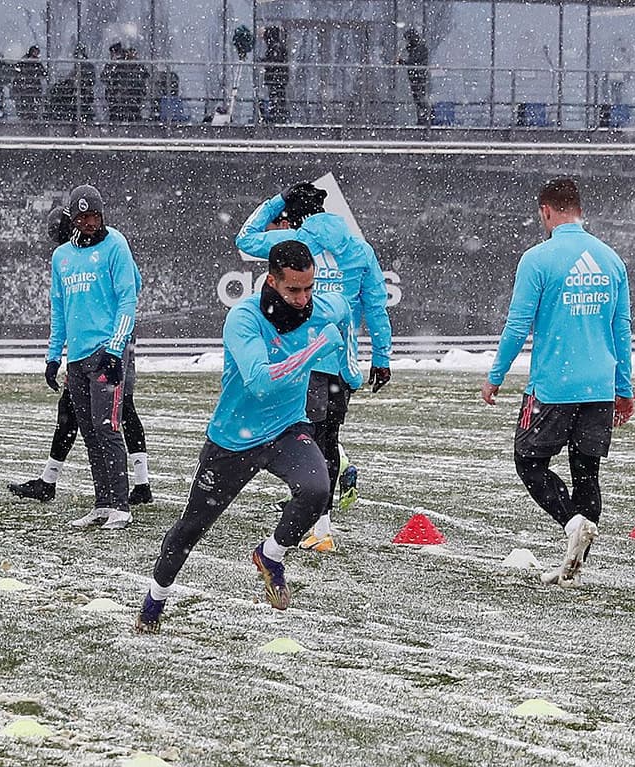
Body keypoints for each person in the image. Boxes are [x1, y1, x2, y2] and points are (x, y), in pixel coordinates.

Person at [136, 240, 361, 633]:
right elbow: (260, 382)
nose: (303, 298)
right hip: (234, 439)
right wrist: (318, 348)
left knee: (316, 490)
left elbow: (344, 310)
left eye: (309, 288)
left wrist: (350, 366)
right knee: (190, 529)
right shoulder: (244, 318)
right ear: (271, 281)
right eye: (293, 289)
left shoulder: (324, 307)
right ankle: (155, 598)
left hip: (289, 429)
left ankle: (270, 556)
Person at [481, 177, 633, 588]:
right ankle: (575, 565)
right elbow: (622, 329)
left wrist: (496, 376)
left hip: (554, 385)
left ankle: (571, 524)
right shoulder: (610, 259)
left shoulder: (538, 258)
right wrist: (624, 387)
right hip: (599, 386)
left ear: (546, 211)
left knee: (527, 460)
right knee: (587, 473)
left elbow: (517, 326)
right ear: (579, 211)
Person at [235, 180, 392, 552]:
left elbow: (245, 237)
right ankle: (321, 519)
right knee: (325, 438)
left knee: (296, 436)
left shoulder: (290, 246)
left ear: (295, 216)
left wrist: (277, 199)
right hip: (339, 361)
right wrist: (382, 356)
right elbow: (375, 306)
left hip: (296, 357)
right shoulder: (358, 248)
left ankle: (314, 515)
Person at [9, 205, 152, 505]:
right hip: (92, 344)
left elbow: (132, 287)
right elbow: (61, 308)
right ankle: (136, 484)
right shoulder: (68, 255)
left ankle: (127, 489)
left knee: (112, 411)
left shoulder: (110, 246)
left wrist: (112, 327)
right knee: (107, 411)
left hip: (114, 338)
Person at [46, 185, 140, 530]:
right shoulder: (62, 258)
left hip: (105, 352)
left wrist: (116, 351)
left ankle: (121, 505)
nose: (88, 222)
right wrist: (53, 356)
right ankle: (102, 503)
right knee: (88, 431)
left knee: (108, 427)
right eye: (81, 216)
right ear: (72, 218)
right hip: (77, 357)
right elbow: (59, 309)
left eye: (94, 215)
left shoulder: (116, 244)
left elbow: (128, 299)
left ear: (103, 215)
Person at [396, 28, 430, 125]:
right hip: (415, 77)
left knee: (420, 98)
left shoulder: (420, 49)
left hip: (419, 77)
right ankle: (422, 118)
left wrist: (402, 61)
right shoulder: (415, 48)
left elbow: (414, 62)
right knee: (417, 98)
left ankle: (424, 119)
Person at [261, 26, 289, 123]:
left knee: (276, 97)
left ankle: (278, 117)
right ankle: (278, 116)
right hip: (277, 78)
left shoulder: (275, 47)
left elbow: (275, 61)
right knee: (277, 97)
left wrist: (266, 62)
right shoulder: (276, 46)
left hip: (276, 78)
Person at [13, 45, 47, 121]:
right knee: (27, 101)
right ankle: (27, 115)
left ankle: (31, 115)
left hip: (32, 86)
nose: (36, 54)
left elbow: (44, 73)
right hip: (28, 86)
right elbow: (17, 69)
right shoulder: (26, 61)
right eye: (35, 52)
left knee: (31, 101)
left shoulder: (35, 62)